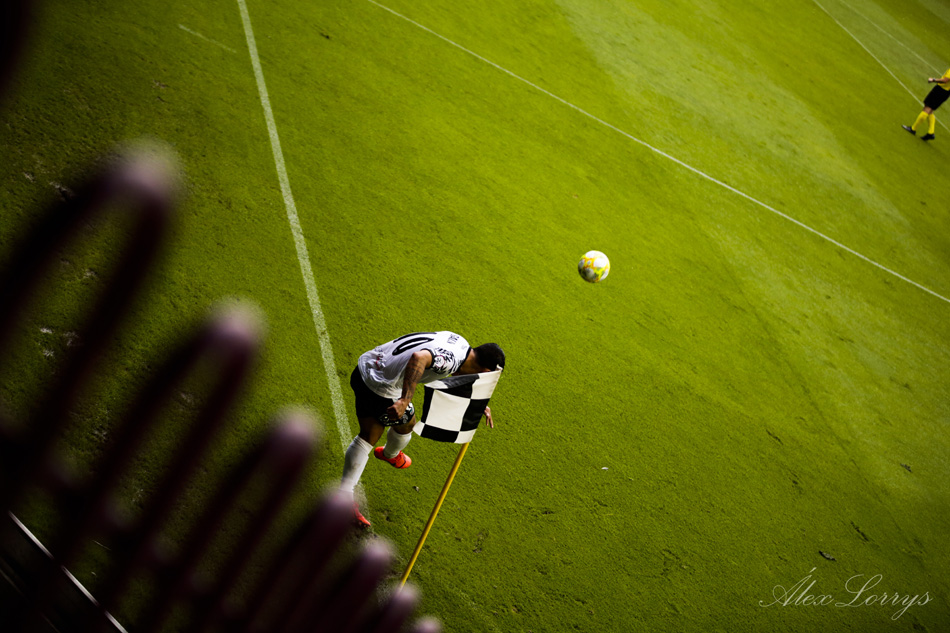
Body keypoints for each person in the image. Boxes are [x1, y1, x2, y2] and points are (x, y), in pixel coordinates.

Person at [340, 332, 505, 527]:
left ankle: (382, 460)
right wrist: (405, 400)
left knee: (375, 432)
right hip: (381, 387)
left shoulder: (459, 343)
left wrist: (476, 403)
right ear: (485, 371)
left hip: (366, 366)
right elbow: (419, 358)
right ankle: (387, 456)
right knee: (398, 427)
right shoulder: (451, 361)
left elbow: (450, 370)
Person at [902, 69, 950, 141]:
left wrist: (933, 80)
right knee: (930, 110)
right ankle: (931, 133)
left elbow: (945, 80)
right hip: (946, 93)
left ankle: (913, 129)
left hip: (940, 90)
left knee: (927, 108)